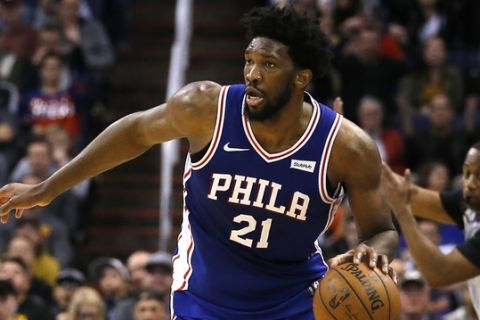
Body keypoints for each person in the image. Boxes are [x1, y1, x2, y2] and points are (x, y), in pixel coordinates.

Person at [0, 5, 398, 319]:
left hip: (295, 302)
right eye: (249, 60)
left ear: (301, 77)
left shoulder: (346, 147)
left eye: (270, 65)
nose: (253, 74)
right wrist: (46, 188)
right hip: (204, 301)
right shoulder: (206, 107)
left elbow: (382, 231)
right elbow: (134, 133)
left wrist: (373, 253)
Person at [382, 141, 480, 318]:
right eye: (467, 173)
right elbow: (409, 195)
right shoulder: (472, 201)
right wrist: (369, 167)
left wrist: (403, 213)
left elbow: (438, 273)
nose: (470, 183)